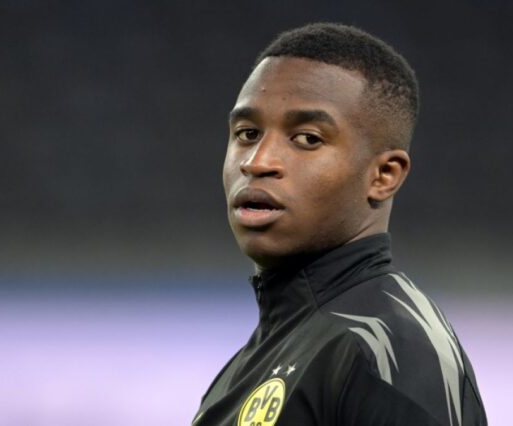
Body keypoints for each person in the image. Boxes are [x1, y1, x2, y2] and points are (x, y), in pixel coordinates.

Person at [193, 23, 486, 426]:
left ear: (383, 175)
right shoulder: (276, 348)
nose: (257, 162)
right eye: (247, 133)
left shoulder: (389, 353)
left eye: (307, 139)